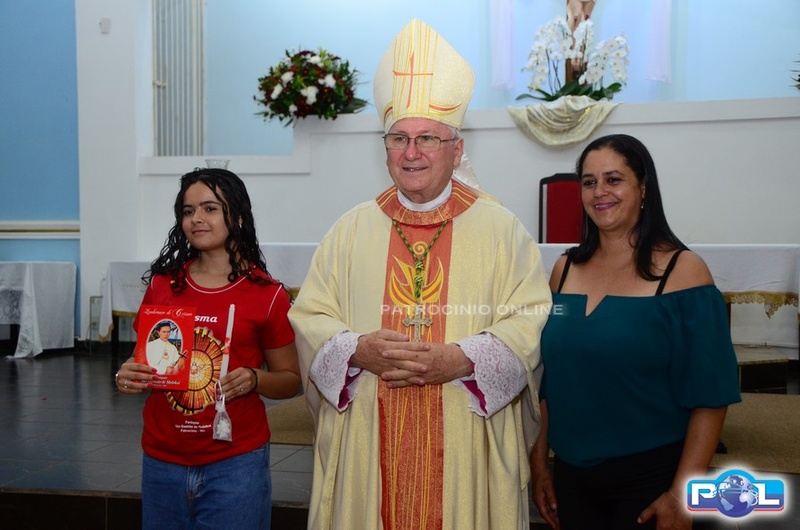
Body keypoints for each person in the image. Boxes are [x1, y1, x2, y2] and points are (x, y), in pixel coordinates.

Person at [288, 19, 552, 530]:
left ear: (457, 149)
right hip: (369, 439)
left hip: (464, 440)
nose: (412, 152)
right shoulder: (349, 230)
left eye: (428, 137)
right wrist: (356, 350)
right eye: (399, 138)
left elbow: (531, 320)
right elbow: (311, 316)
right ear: (385, 148)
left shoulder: (502, 230)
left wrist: (462, 359)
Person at [530, 134, 741, 530]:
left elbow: (711, 396)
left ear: (643, 188)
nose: (599, 192)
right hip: (572, 476)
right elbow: (549, 379)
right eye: (589, 182)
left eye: (613, 179)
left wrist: (682, 494)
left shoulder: (683, 272)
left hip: (652, 479)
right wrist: (540, 463)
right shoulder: (564, 270)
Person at [114, 168, 301, 530]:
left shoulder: (268, 294)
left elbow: (291, 380)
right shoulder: (164, 285)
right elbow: (144, 360)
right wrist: (128, 375)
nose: (196, 218)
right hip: (162, 459)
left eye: (210, 208)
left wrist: (254, 378)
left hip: (235, 462)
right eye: (188, 211)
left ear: (238, 216)